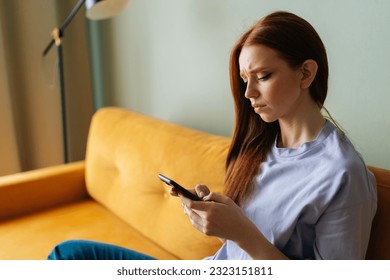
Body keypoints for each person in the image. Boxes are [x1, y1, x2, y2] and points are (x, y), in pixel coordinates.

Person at [48, 11, 377, 260]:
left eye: (263, 76)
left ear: (306, 72)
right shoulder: (262, 145)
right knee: (70, 255)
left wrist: (242, 232)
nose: (248, 92)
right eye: (245, 78)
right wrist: (219, 214)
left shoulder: (341, 174)